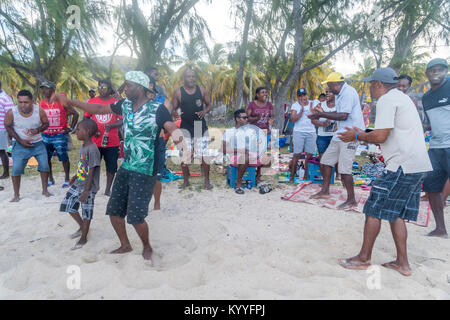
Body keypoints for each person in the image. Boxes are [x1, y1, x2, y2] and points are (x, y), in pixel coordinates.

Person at [54, 71, 185, 261]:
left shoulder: (157, 109)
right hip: (126, 166)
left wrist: (183, 145)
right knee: (114, 211)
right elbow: (98, 109)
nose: (125, 89)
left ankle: (147, 246)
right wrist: (72, 102)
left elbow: (171, 127)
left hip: (145, 169)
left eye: (128, 86)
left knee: (136, 217)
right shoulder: (124, 105)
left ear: (140, 88)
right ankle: (125, 245)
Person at [338, 67, 432, 276]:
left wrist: (356, 136)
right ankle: (402, 263)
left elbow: (380, 136)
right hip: (416, 165)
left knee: (373, 209)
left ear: (378, 84)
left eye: (371, 84)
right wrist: (361, 133)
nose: (370, 88)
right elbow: (386, 132)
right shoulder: (402, 97)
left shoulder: (387, 100)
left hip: (401, 164)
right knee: (395, 213)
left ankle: (363, 258)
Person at [308, 72, 365, 209]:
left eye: (329, 85)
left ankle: (351, 199)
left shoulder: (348, 93)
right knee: (326, 161)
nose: (328, 88)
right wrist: (320, 114)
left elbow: (343, 116)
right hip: (340, 133)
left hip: (351, 133)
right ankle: (325, 190)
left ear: (335, 84)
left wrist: (321, 114)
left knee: (344, 169)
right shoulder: (340, 94)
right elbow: (337, 114)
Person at [4, 90, 52, 202]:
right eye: (20, 102)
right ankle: (16, 195)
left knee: (44, 166)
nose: (22, 105)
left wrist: (38, 130)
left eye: (26, 102)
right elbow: (8, 126)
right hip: (20, 145)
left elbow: (46, 123)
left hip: (38, 143)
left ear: (32, 101)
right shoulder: (12, 112)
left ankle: (45, 191)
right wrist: (19, 140)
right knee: (16, 169)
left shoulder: (39, 111)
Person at [60, 119, 101, 250]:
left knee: (86, 212)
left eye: (78, 130)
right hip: (79, 183)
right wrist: (75, 176)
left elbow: (92, 170)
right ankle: (83, 227)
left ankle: (83, 238)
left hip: (88, 187)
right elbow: (83, 166)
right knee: (67, 205)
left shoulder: (93, 149)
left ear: (87, 132)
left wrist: (86, 190)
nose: (75, 132)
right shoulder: (83, 146)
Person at [421, 58, 450, 238]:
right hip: (436, 146)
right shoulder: (426, 97)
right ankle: (440, 229)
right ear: (427, 74)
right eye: (432, 70)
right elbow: (431, 123)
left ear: (446, 71)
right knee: (431, 187)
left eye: (439, 70)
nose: (435, 73)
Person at [172, 69, 213, 190]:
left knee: (204, 155)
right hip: (185, 126)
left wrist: (204, 111)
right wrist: (175, 113)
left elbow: (209, 105)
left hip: (200, 126)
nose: (192, 79)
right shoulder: (178, 92)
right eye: (189, 76)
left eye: (193, 76)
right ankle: (186, 181)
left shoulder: (201, 90)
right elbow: (173, 108)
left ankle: (206, 180)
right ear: (184, 78)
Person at [84, 79, 121, 196]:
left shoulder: (116, 103)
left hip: (112, 142)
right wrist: (92, 131)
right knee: (92, 165)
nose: (101, 90)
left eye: (104, 88)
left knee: (111, 167)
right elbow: (86, 119)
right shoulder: (92, 101)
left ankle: (107, 190)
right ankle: (92, 186)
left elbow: (124, 120)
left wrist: (113, 125)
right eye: (99, 87)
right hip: (95, 142)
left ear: (110, 89)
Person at [40, 81, 79, 188]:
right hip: (46, 135)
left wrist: (70, 128)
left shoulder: (61, 102)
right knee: (46, 158)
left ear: (53, 90)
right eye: (43, 88)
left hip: (59, 135)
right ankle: (50, 179)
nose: (44, 91)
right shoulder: (42, 103)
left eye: (46, 88)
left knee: (63, 157)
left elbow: (75, 113)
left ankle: (67, 179)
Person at [289, 88, 317, 182]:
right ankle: (292, 177)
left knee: (309, 155)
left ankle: (306, 176)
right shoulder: (295, 105)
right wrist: (301, 110)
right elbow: (293, 119)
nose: (302, 97)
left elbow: (318, 116)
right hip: (299, 132)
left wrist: (312, 111)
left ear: (306, 95)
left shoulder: (312, 103)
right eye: (300, 96)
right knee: (296, 154)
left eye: (304, 95)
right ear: (297, 97)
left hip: (311, 132)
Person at [311, 90, 337, 160]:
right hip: (322, 137)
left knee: (334, 160)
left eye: (330, 91)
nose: (327, 93)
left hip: (335, 137)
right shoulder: (320, 105)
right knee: (322, 160)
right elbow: (313, 120)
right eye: (326, 91)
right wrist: (322, 124)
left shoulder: (339, 105)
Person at [0, 81, 14, 181]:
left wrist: (10, 131)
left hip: (2, 129)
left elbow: (11, 114)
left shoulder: (5, 98)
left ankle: (6, 173)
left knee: (1, 151)